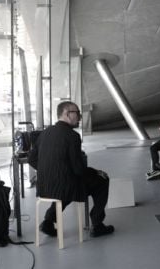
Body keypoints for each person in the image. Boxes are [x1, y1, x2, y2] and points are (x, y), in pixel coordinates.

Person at [29, 101, 114, 238]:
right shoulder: (72, 136)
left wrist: (48, 169)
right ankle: (97, 224)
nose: (79, 117)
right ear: (67, 114)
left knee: (67, 183)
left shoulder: (44, 133)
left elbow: (31, 158)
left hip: (44, 187)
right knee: (102, 180)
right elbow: (79, 169)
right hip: (64, 187)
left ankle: (48, 221)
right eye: (77, 113)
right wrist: (96, 172)